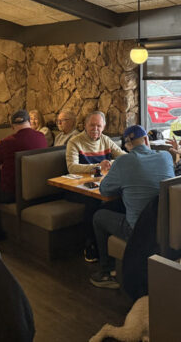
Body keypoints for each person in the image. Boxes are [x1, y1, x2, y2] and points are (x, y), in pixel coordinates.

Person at [90, 125, 174, 289]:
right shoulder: (166, 156)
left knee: (99, 216)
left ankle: (106, 271)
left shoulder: (124, 161)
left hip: (137, 230)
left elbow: (104, 189)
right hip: (165, 227)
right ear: (146, 140)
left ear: (127, 146)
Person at [65, 111, 125, 262]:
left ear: (104, 127)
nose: (95, 129)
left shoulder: (106, 140)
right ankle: (90, 245)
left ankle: (106, 246)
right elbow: (72, 167)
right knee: (93, 202)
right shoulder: (75, 141)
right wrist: (97, 166)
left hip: (98, 186)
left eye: (99, 125)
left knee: (117, 199)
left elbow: (123, 156)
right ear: (85, 125)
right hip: (75, 187)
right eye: (92, 125)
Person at [0, 110, 47, 240]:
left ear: (12, 126)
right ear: (30, 122)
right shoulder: (41, 137)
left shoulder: (6, 142)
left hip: (12, 192)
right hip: (38, 190)